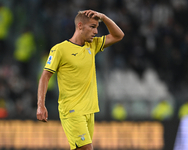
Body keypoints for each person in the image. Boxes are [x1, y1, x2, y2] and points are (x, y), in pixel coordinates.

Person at [36, 10, 124, 150]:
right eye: (92, 26)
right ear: (80, 26)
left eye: (97, 27)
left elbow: (118, 35)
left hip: (89, 111)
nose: (96, 31)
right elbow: (45, 76)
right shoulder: (60, 49)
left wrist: (103, 17)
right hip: (72, 110)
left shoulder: (92, 45)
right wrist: (41, 104)